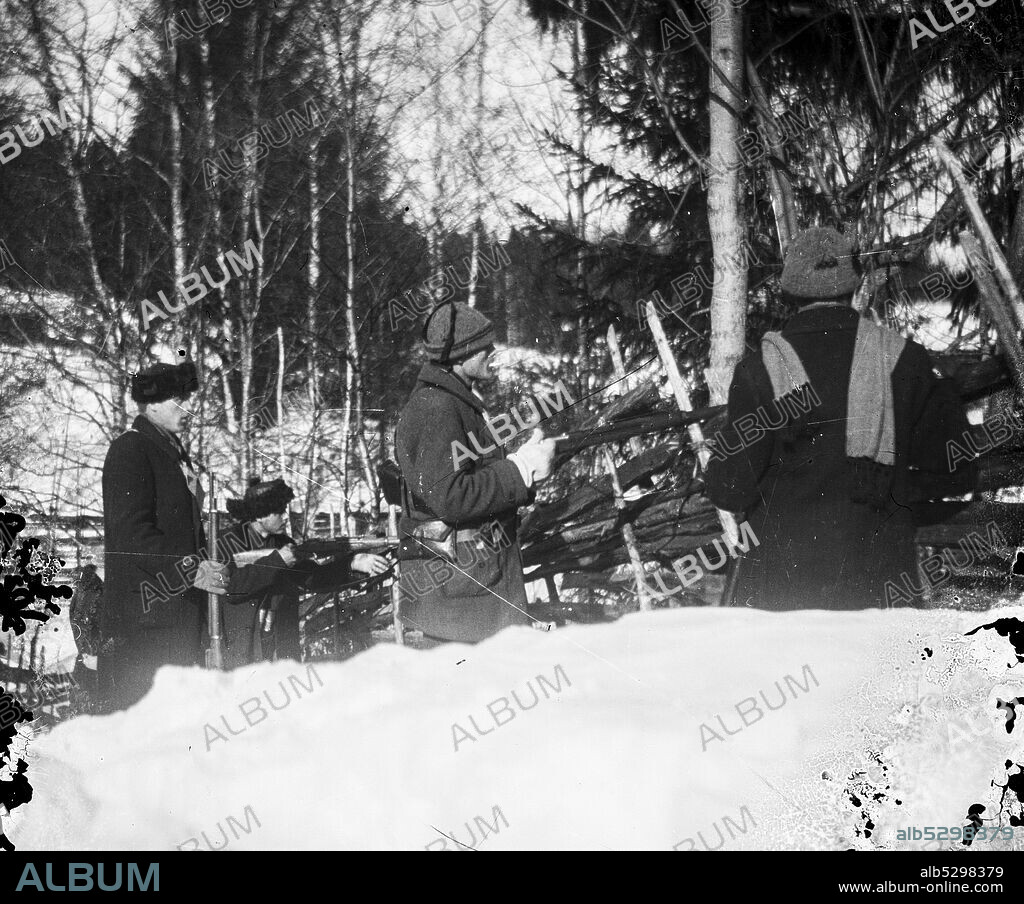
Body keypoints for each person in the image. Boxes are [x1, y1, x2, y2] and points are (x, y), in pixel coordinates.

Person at [704, 226, 977, 610]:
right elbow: (958, 471)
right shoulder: (906, 360)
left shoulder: (760, 369)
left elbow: (729, 489)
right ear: (854, 288)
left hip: (778, 599)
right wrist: (892, 496)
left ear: (788, 293)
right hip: (879, 593)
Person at [395, 301, 557, 644]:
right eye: (483, 346)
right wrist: (520, 470)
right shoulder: (438, 408)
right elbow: (450, 495)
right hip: (461, 601)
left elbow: (463, 474)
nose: (492, 351)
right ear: (459, 355)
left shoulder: (452, 401)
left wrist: (517, 465)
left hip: (470, 590)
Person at [99, 361, 228, 710]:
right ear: (152, 403)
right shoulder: (131, 449)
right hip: (146, 625)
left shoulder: (169, 452)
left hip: (174, 618)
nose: (188, 408)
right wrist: (191, 571)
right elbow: (131, 536)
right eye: (178, 399)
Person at [218, 478, 389, 667]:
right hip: (242, 650)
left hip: (279, 648)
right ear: (259, 516)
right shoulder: (227, 542)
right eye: (278, 512)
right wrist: (277, 560)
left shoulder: (282, 542)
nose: (285, 516)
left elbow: (313, 578)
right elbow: (230, 587)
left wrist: (352, 563)